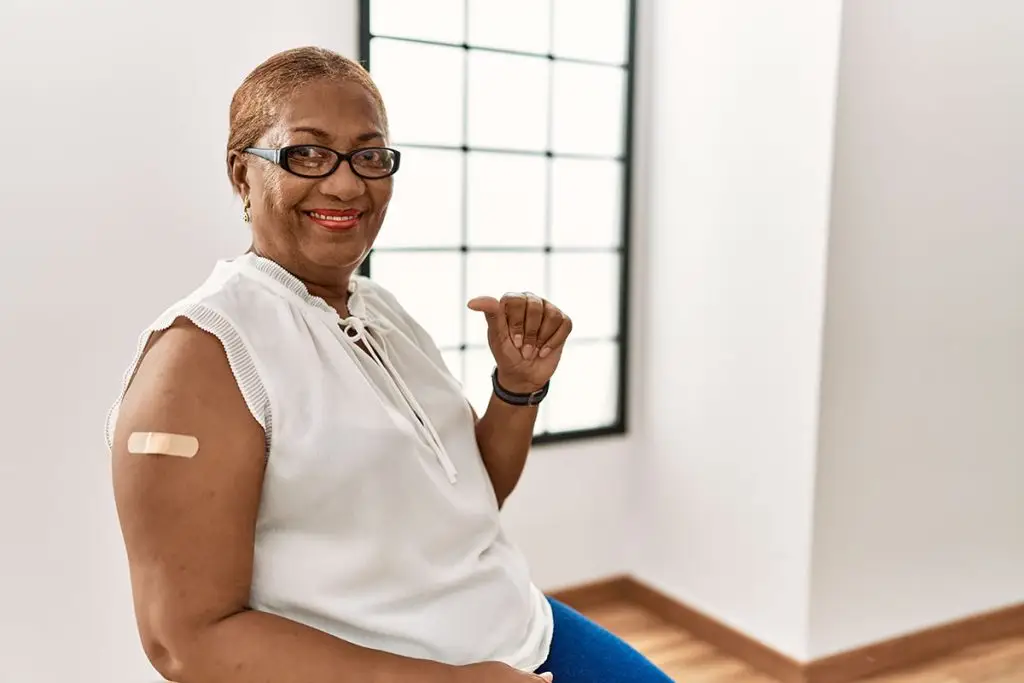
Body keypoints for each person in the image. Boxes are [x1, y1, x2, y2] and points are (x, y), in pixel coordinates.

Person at [108, 46, 672, 683]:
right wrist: (452, 682)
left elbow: (472, 496)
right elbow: (185, 642)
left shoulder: (380, 310)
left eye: (370, 155)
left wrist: (516, 390)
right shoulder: (201, 355)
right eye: (307, 153)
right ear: (242, 174)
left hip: (520, 629)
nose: (347, 183)